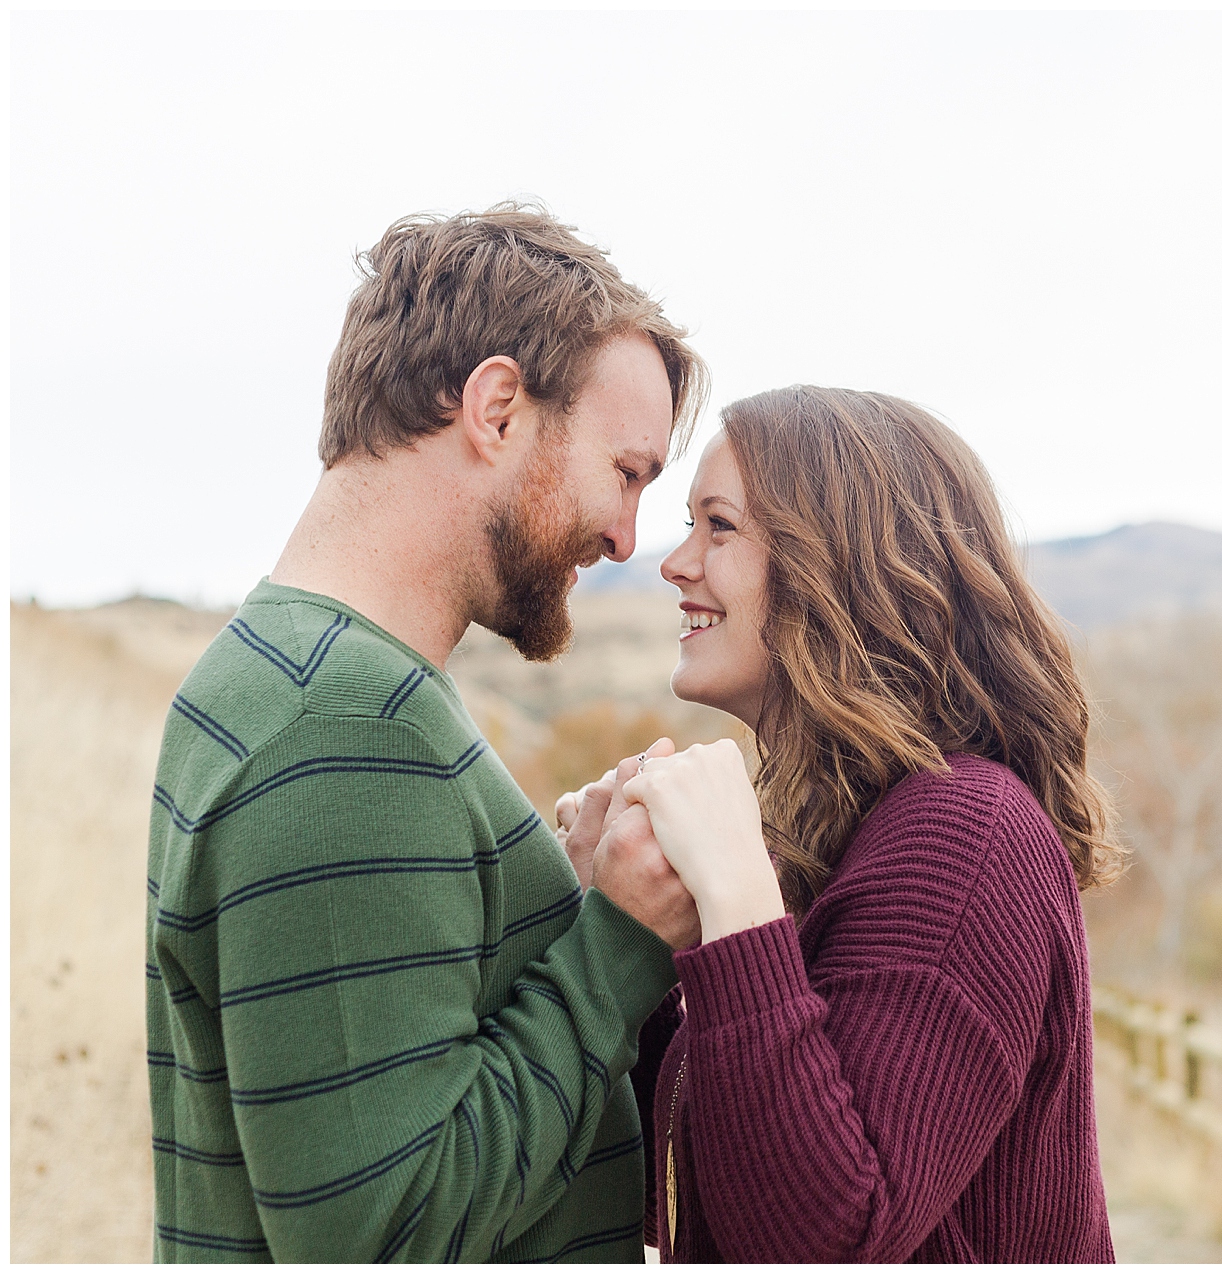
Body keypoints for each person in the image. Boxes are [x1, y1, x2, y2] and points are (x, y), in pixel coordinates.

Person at [145, 204, 708, 1262]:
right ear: (496, 408)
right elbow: (382, 1230)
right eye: (626, 472)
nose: (627, 534)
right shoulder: (345, 726)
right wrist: (619, 940)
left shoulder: (287, 667)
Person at [560, 385, 1125, 1262]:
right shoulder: (853, 827)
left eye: (719, 526)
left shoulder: (966, 835)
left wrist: (736, 894)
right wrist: (628, 922)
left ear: (840, 564)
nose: (674, 563)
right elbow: (738, 1157)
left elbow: (828, 1235)